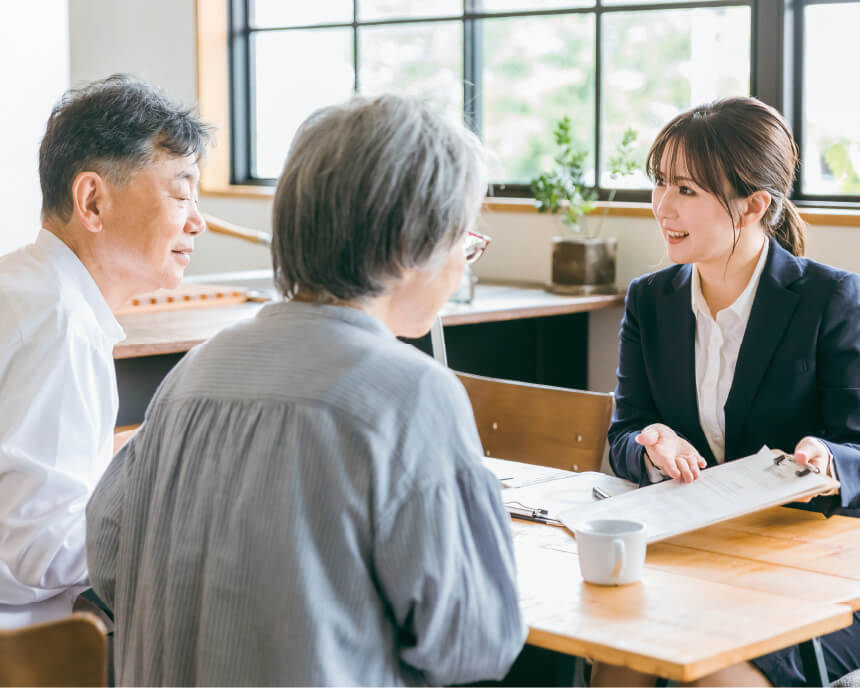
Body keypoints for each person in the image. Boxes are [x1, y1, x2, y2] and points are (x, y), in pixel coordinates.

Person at [86, 94, 527, 686]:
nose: (461, 265)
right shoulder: (410, 393)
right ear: (411, 244)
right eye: (462, 240)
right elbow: (474, 642)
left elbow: (109, 559)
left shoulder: (194, 373)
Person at [596, 96, 860, 686]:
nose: (662, 206)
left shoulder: (831, 300)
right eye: (660, 183)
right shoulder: (650, 300)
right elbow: (622, 436)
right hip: (693, 556)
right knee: (618, 657)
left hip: (811, 576)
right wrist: (648, 442)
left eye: (687, 190)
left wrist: (828, 461)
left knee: (709, 674)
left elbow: (857, 449)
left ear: (755, 204)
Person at [0, 74, 210, 628]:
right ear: (92, 200)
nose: (198, 221)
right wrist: (175, 512)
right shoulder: (59, 325)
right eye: (181, 192)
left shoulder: (26, 285)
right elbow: (40, 552)